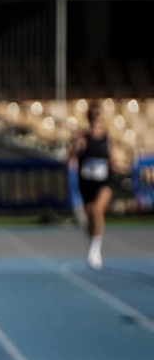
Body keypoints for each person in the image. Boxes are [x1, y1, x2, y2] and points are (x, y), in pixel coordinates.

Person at [71, 103, 116, 271]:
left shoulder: (106, 137)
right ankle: (93, 241)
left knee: (98, 210)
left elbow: (112, 158)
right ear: (89, 118)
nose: (96, 119)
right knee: (91, 216)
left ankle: (95, 250)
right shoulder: (83, 137)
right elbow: (70, 159)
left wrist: (116, 165)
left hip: (104, 182)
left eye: (98, 116)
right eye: (93, 116)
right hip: (87, 183)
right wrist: (76, 146)